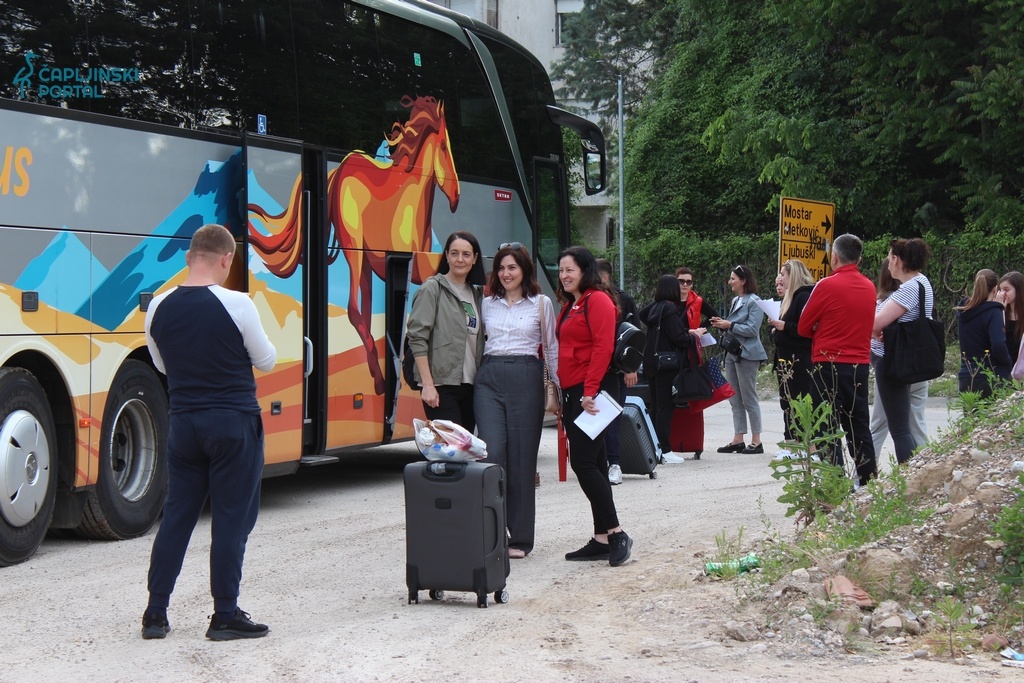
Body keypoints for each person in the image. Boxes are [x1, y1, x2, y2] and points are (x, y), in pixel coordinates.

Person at [141, 224, 277, 641]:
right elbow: (266, 360)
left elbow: (162, 365)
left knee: (177, 516)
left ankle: (155, 613)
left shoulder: (157, 306)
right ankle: (225, 614)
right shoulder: (238, 303)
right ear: (226, 259)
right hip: (233, 424)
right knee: (231, 519)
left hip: (184, 423)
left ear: (189, 257)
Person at [474, 242, 558, 559]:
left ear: (524, 270)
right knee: (492, 453)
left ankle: (520, 538)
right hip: (489, 377)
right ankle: (490, 532)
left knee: (522, 459)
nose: (506, 273)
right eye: (501, 268)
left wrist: (558, 388)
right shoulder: (486, 304)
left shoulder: (541, 304)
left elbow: (551, 348)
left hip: (527, 375)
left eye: (512, 267)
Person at [556, 246, 633, 567]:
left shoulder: (597, 300)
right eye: (561, 270)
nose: (564, 275)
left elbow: (602, 347)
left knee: (583, 463)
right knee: (597, 463)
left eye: (570, 270)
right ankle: (602, 538)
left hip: (595, 392)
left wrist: (589, 391)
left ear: (585, 270)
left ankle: (616, 533)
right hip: (576, 392)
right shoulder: (572, 304)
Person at [797, 234, 877, 486]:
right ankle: (869, 481)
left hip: (828, 363)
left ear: (834, 258)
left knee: (826, 425)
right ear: (859, 260)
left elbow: (803, 326)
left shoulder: (826, 285)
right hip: (859, 364)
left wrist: (820, 327)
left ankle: (836, 483)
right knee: (858, 424)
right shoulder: (869, 287)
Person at [406, 231, 486, 431]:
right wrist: (428, 385)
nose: (460, 259)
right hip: (441, 386)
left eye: (466, 254)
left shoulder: (477, 294)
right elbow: (417, 338)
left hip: (470, 386)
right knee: (451, 443)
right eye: (454, 253)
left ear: (475, 258)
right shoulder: (432, 289)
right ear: (447, 256)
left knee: (465, 445)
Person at [871, 238, 936, 465]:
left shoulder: (908, 289)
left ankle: (908, 476)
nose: (888, 263)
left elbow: (875, 323)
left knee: (899, 429)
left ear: (897, 260)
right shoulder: (923, 282)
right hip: (908, 357)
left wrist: (875, 328)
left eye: (890, 257)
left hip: (892, 360)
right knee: (904, 425)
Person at [639, 275, 706, 463]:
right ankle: (664, 450)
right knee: (665, 407)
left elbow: (641, 314)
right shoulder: (670, 309)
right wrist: (694, 335)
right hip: (666, 364)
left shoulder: (655, 308)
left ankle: (653, 446)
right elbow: (679, 338)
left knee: (655, 407)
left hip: (652, 362)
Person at [710, 265, 767, 454]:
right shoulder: (736, 300)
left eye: (733, 278)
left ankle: (756, 440)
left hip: (748, 354)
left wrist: (730, 325)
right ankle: (738, 438)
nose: (730, 282)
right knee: (734, 397)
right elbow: (735, 325)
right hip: (732, 352)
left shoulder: (755, 301)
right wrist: (723, 324)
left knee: (749, 397)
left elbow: (752, 329)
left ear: (743, 280)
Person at [596, 258, 638, 484]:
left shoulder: (624, 299)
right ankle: (598, 462)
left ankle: (614, 463)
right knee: (594, 417)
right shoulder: (585, 299)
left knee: (612, 416)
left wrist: (631, 368)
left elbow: (635, 336)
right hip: (592, 368)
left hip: (616, 368)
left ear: (605, 277)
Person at [767, 260, 815, 448]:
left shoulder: (803, 297)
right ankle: (790, 442)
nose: (780, 278)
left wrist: (784, 326)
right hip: (784, 358)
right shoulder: (790, 298)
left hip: (798, 359)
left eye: (783, 274)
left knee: (797, 401)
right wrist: (776, 329)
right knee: (786, 401)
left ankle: (802, 444)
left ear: (793, 275)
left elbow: (805, 329)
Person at [955, 268, 1012, 397]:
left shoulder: (964, 310)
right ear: (995, 289)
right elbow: (998, 343)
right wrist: (1007, 362)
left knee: (970, 410)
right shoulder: (993, 312)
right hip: (990, 375)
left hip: (966, 374)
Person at [997, 271, 1024, 362]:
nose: (1002, 294)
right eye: (1000, 290)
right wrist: (999, 310)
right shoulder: (1000, 312)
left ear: (1018, 289)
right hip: (1005, 365)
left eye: (1006, 290)